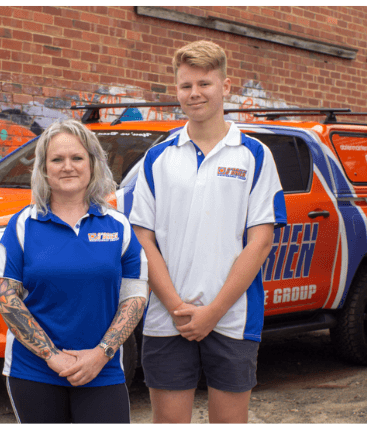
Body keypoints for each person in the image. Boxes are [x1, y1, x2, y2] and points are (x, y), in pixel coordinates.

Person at [129, 40, 287, 424]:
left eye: (204, 83)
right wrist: (176, 307)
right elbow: (142, 239)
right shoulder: (158, 157)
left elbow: (261, 240)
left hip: (233, 317)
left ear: (225, 85)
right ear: (177, 89)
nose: (194, 93)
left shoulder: (254, 155)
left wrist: (212, 312)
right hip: (167, 319)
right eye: (186, 86)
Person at [0, 119, 148, 424]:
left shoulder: (118, 226)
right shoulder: (23, 224)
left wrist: (101, 353)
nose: (68, 167)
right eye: (57, 159)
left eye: (77, 158)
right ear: (44, 168)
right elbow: (6, 297)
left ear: (92, 164)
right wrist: (53, 356)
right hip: (34, 370)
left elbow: (135, 296)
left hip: (102, 370)